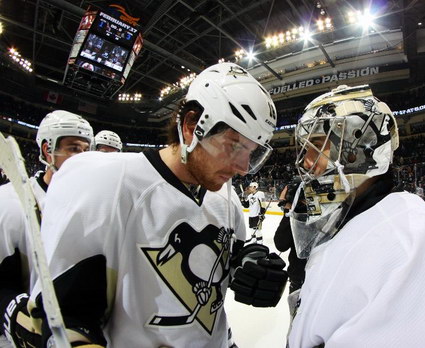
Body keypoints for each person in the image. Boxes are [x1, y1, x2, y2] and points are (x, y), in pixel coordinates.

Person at [26, 62, 287, 348]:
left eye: (251, 152)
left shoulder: (224, 194)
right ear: (191, 126)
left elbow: (226, 255)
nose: (242, 167)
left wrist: (249, 262)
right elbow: (65, 318)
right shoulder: (106, 181)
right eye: (233, 145)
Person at [287, 84, 425, 347]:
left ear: (359, 148)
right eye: (305, 148)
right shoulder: (347, 216)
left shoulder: (410, 231)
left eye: (318, 146)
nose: (306, 161)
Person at [0, 111, 94, 347]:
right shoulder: (11, 203)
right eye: (73, 148)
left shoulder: (95, 203)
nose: (82, 157)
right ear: (46, 150)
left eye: (85, 150)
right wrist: (19, 319)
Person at [274, 183, 307, 294]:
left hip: (300, 278)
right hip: (307, 277)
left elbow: (281, 245)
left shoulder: (298, 218)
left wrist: (288, 210)